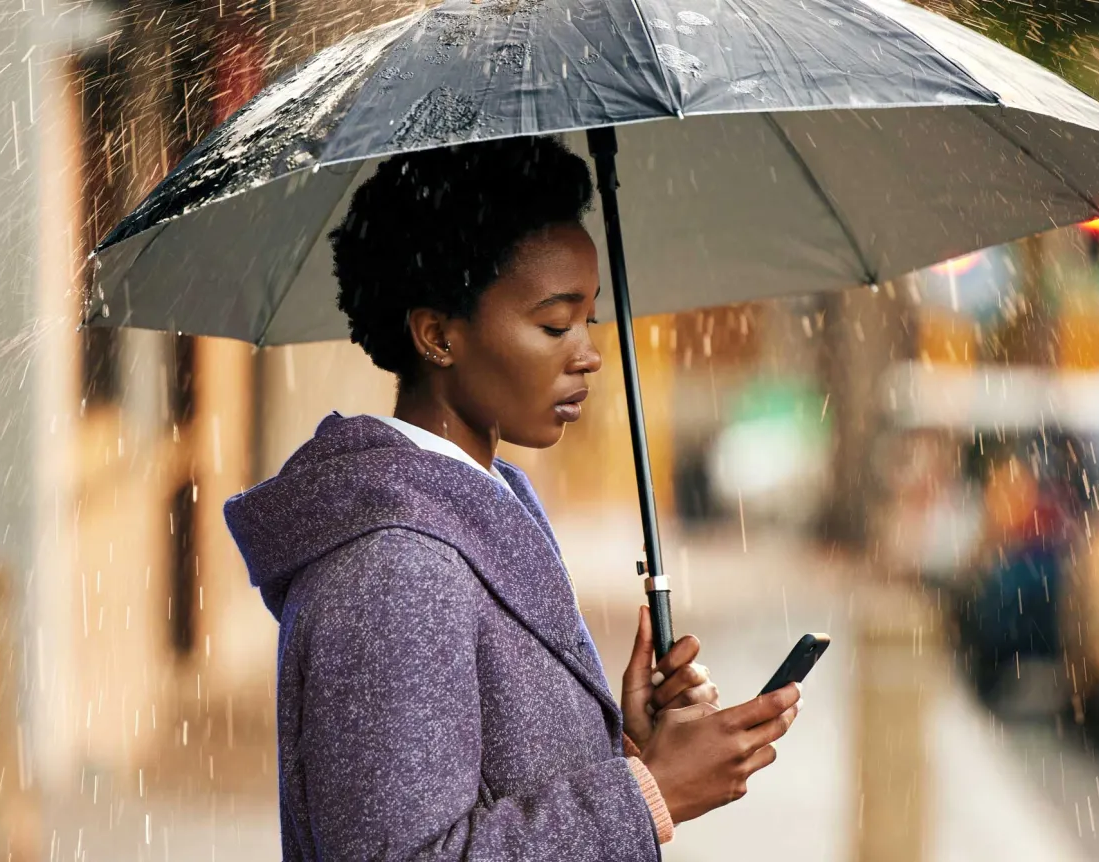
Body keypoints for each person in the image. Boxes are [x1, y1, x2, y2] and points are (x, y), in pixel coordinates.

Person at [224, 136, 803, 861]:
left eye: (590, 318)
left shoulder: (481, 512)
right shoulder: (395, 572)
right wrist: (649, 792)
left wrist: (629, 749)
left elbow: (491, 788)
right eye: (555, 324)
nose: (587, 352)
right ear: (437, 334)